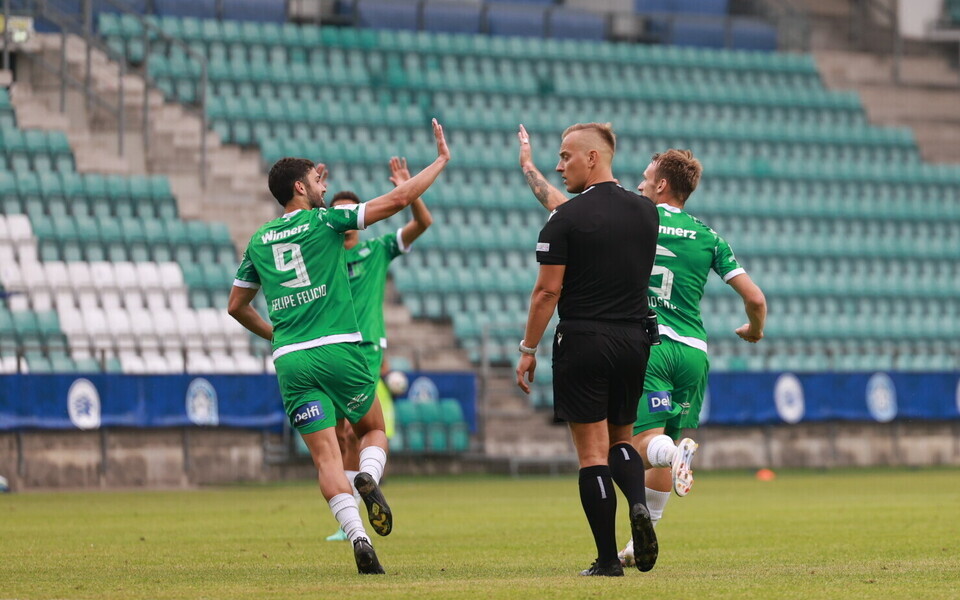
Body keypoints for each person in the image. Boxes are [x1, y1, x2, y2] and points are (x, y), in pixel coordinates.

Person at [518, 127, 767, 566]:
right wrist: (753, 329)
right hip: (685, 348)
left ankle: (671, 462)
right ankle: (640, 536)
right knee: (644, 443)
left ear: (661, 184)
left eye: (646, 178)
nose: (638, 184)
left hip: (637, 340)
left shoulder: (635, 216)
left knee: (618, 447)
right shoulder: (697, 232)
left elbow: (568, 215)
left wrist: (531, 171)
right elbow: (756, 298)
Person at [227, 119, 450, 575]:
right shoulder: (325, 221)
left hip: (290, 359)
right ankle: (369, 475)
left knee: (325, 456)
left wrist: (276, 335)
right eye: (315, 180)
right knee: (372, 428)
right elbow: (400, 201)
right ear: (298, 187)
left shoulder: (258, 240)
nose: (320, 185)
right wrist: (441, 160)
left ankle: (358, 537)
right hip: (339, 350)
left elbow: (236, 306)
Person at [515, 122, 661, 577]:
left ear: (592, 158)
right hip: (634, 341)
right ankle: (638, 504)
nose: (559, 166)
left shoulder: (566, 220)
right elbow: (590, 216)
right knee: (623, 440)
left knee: (592, 455)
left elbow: (546, 293)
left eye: (566, 157)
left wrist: (528, 348)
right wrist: (529, 169)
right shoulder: (646, 212)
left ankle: (606, 561)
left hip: (583, 341)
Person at [325, 156, 434, 542]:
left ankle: (352, 508)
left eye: (349, 213)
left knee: (356, 432)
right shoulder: (325, 254)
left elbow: (423, 224)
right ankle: (353, 503)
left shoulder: (378, 249)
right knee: (337, 435)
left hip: (366, 348)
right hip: (332, 349)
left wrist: (409, 188)